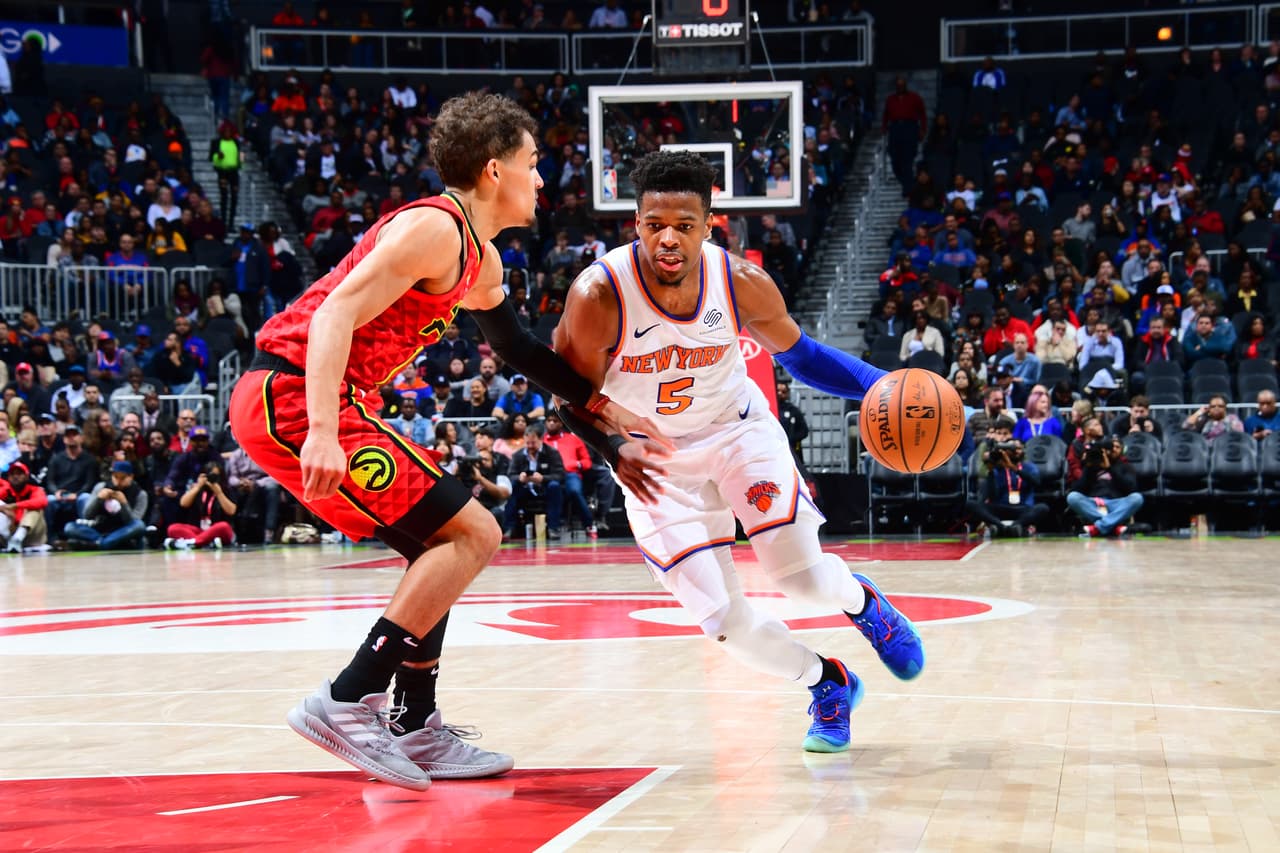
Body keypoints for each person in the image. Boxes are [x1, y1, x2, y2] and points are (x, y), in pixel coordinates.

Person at [227, 92, 667, 791]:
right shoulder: (435, 228)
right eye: (532, 163)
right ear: (495, 170)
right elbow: (335, 310)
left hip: (320, 400)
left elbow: (517, 346)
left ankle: (414, 721)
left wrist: (599, 406)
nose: (542, 178)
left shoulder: (479, 259)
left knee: (438, 549)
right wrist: (317, 428)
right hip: (290, 393)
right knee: (475, 534)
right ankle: (347, 698)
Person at [552, 150, 924, 755]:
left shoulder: (740, 282)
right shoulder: (599, 294)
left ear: (709, 222)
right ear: (636, 224)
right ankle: (827, 681)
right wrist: (615, 447)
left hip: (736, 432)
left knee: (801, 581)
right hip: (654, 463)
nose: (668, 239)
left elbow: (801, 357)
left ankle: (864, 603)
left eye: (684, 225)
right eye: (654, 225)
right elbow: (569, 399)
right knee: (725, 625)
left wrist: (878, 383)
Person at [965, 416, 1048, 538]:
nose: (1015, 451)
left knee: (1043, 508)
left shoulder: (1029, 467)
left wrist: (1014, 468)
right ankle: (1001, 526)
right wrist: (992, 470)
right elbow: (991, 494)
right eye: (1011, 448)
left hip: (1022, 508)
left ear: (1023, 451)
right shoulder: (999, 467)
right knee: (971, 504)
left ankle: (1016, 525)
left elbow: (1036, 483)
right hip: (1001, 507)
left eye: (1018, 448)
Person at [1067, 437, 1146, 538]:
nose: (1114, 449)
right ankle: (1113, 525)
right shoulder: (1092, 466)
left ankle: (1098, 528)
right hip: (1095, 504)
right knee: (1072, 497)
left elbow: (1131, 488)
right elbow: (1077, 489)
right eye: (1111, 447)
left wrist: (1110, 468)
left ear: (1122, 450)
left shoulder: (1125, 467)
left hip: (1117, 504)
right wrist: (1088, 467)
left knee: (1137, 498)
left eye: (1117, 447)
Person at [62, 459, 147, 550]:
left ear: (131, 477)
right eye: (115, 477)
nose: (118, 482)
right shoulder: (101, 487)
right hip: (100, 529)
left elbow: (133, 523)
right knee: (69, 527)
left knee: (140, 526)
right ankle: (105, 543)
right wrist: (98, 500)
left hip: (122, 532)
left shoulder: (140, 494)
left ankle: (100, 544)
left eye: (122, 478)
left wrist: (124, 503)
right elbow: (87, 516)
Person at [542, 409, 595, 536]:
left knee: (574, 491)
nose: (551, 423)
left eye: (555, 421)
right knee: (553, 488)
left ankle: (589, 524)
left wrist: (575, 464)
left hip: (571, 474)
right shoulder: (542, 441)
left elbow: (587, 462)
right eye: (548, 421)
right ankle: (553, 528)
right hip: (552, 476)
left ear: (561, 423)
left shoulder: (573, 439)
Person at [165, 459, 237, 549]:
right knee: (173, 528)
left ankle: (192, 542)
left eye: (215, 476)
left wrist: (219, 493)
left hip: (216, 530)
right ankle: (200, 542)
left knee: (223, 526)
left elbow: (231, 511)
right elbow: (183, 503)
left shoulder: (226, 490)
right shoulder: (198, 491)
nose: (211, 479)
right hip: (199, 531)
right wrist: (198, 487)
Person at [0, 461, 47, 552]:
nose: (15, 476)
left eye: (19, 474)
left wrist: (15, 506)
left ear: (26, 476)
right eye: (12, 474)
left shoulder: (35, 490)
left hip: (32, 538)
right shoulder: (5, 490)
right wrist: (7, 513)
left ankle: (18, 538)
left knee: (35, 509)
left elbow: (42, 501)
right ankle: (12, 540)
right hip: (9, 534)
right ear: (8, 477)